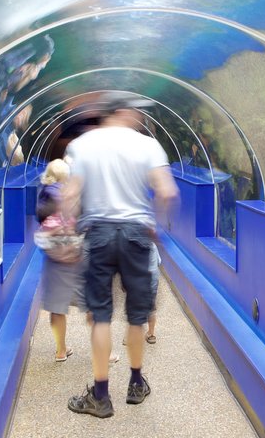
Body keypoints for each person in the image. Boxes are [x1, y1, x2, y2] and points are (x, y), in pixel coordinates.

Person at [63, 92, 179, 419]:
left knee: (101, 316)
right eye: (137, 112)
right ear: (123, 112)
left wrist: (71, 236)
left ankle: (100, 396)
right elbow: (168, 191)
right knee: (137, 316)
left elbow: (70, 195)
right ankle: (136, 382)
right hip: (136, 233)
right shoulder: (147, 145)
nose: (140, 118)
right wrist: (156, 222)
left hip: (98, 232)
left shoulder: (85, 145)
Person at [33, 159, 87, 362]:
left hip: (54, 258)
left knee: (56, 307)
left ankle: (61, 350)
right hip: (76, 254)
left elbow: (39, 219)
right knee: (92, 303)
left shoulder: (43, 194)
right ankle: (105, 352)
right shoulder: (68, 194)